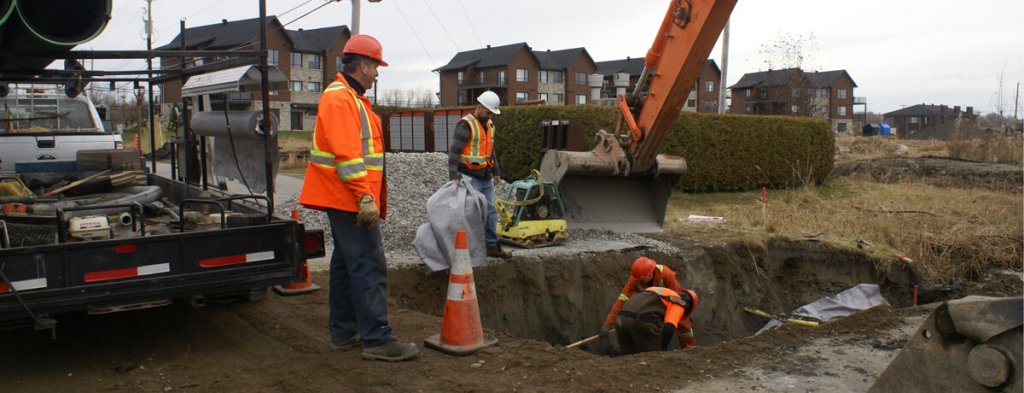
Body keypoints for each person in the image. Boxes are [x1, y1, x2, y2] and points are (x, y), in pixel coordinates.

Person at [298, 34, 418, 362]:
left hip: (345, 197)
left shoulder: (351, 98)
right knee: (368, 264)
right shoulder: (341, 99)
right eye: (376, 67)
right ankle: (377, 339)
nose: (378, 74)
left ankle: (343, 331)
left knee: (345, 264)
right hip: (349, 198)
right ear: (363, 66)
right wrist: (364, 197)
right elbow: (348, 156)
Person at [447, 90, 509, 258]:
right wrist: (453, 176)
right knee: (471, 213)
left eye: (492, 113)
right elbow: (454, 152)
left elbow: (490, 150)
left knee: (490, 210)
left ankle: (491, 246)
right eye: (488, 112)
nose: (490, 115)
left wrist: (496, 170)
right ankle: (470, 248)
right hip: (469, 177)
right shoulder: (465, 125)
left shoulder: (489, 125)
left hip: (485, 176)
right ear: (479, 107)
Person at [600, 257, 696, 349]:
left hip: (669, 303)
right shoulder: (636, 278)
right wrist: (607, 324)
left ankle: (689, 348)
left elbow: (677, 300)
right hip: (650, 309)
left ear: (650, 274)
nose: (639, 281)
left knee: (683, 324)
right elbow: (622, 300)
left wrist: (674, 317)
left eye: (641, 280)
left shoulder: (666, 275)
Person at [614, 286, 699, 355]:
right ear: (689, 308)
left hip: (621, 318)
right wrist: (663, 348)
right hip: (642, 322)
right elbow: (669, 327)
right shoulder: (679, 303)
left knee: (626, 357)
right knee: (653, 357)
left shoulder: (656, 290)